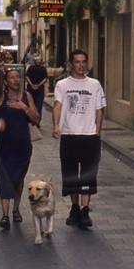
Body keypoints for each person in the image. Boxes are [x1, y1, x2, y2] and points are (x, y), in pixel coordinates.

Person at [52, 49, 106, 229]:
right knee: (71, 175)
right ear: (70, 64)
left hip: (89, 137)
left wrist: (96, 132)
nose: (81, 65)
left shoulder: (95, 84)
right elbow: (57, 106)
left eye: (84, 61)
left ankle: (85, 210)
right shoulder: (62, 85)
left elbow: (99, 109)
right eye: (77, 62)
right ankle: (74, 208)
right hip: (69, 136)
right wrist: (56, 126)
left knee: (88, 175)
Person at [0, 67, 39, 229]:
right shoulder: (1, 96)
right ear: (6, 81)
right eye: (11, 77)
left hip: (23, 145)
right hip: (4, 145)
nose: (16, 80)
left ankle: (16, 209)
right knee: (4, 178)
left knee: (18, 178)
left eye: (18, 77)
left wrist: (24, 107)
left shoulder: (27, 96)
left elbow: (37, 118)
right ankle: (5, 215)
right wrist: (0, 74)